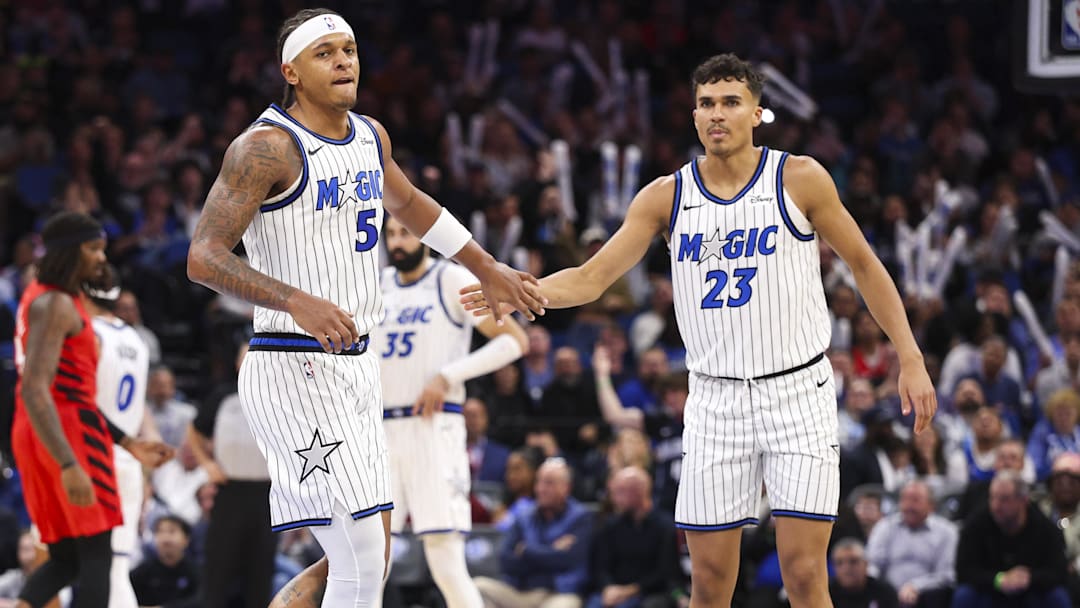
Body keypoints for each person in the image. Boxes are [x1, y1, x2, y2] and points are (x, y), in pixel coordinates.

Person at [462, 53, 937, 608]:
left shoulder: (799, 177)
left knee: (805, 576)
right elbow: (593, 279)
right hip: (714, 399)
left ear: (757, 113)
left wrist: (910, 356)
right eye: (707, 104)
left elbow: (864, 264)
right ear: (694, 116)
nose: (717, 114)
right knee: (709, 584)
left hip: (797, 392)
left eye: (731, 103)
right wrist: (524, 289)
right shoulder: (666, 196)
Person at [186, 8, 544, 608]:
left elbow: (411, 205)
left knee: (366, 553)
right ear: (291, 71)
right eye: (324, 53)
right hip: (291, 362)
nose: (344, 60)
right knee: (359, 552)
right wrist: (294, 300)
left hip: (355, 366)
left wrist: (487, 266)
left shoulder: (370, 135)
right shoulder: (266, 147)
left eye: (348, 49)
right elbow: (203, 257)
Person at [13, 212, 172, 608]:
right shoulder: (54, 304)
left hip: (54, 425)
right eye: (93, 248)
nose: (102, 257)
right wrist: (69, 464)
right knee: (98, 553)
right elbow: (36, 389)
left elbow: (67, 394)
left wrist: (128, 443)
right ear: (69, 252)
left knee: (67, 558)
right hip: (64, 431)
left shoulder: (47, 298)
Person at [84, 264, 166, 608]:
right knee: (116, 567)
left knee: (72, 565)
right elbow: (140, 414)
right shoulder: (138, 340)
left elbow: (78, 402)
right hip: (127, 464)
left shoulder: (87, 333)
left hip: (92, 456)